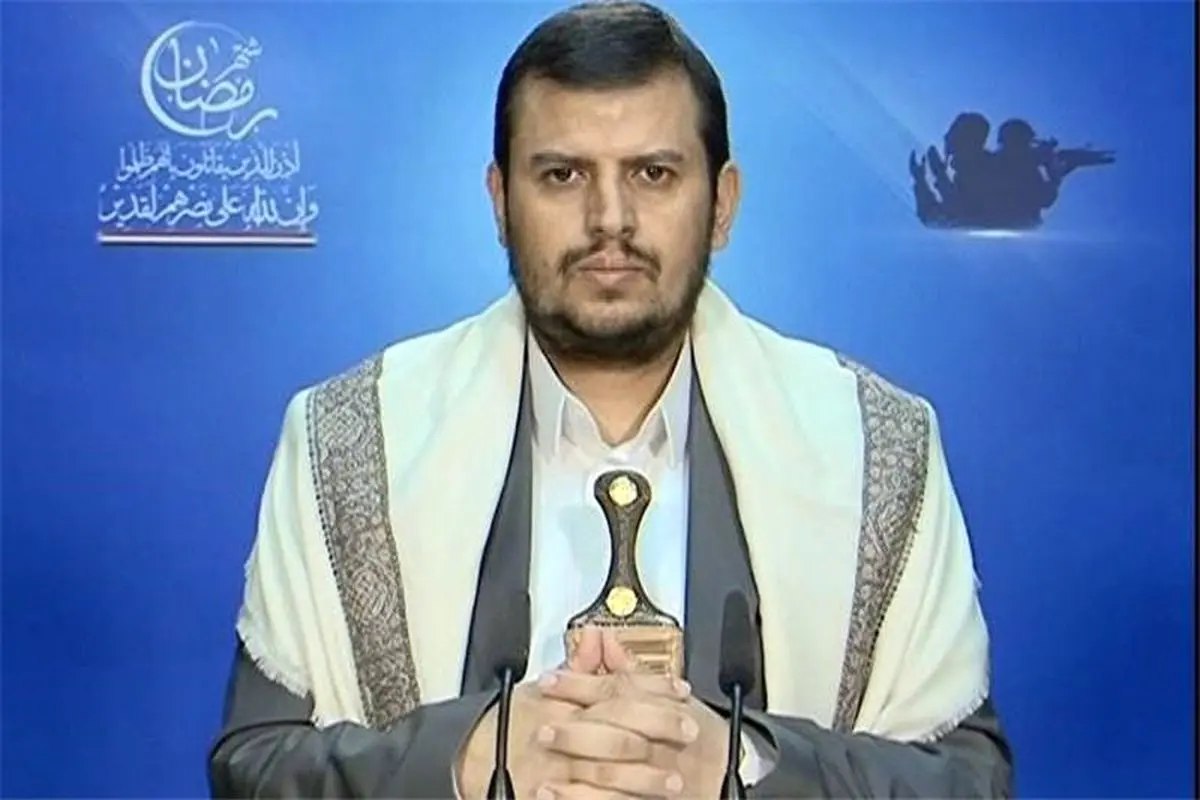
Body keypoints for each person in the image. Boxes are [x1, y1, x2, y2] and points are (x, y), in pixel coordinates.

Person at [207, 2, 1014, 797]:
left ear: (723, 203)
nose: (609, 220)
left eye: (652, 174)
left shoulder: (876, 445)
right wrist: (465, 760)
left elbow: (966, 782)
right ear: (500, 201)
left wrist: (743, 766)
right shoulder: (349, 440)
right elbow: (255, 767)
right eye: (562, 175)